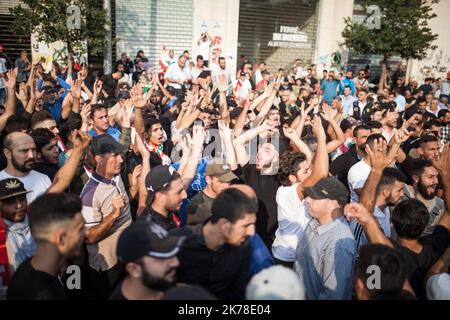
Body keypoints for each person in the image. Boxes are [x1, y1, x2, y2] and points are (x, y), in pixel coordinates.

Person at [344, 144, 450, 299]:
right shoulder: (436, 246)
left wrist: (376, 170)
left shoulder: (390, 255)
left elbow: (367, 220)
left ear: (394, 221)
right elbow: (449, 212)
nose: (401, 194)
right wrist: (446, 176)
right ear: (425, 225)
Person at [170, 188, 257, 300]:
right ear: (224, 224)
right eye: (246, 225)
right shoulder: (177, 243)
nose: (251, 232)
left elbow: (239, 293)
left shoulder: (243, 247)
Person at [80, 134, 132, 299]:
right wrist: (114, 214)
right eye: (114, 156)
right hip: (109, 267)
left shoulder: (115, 176)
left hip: (125, 257)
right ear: (99, 159)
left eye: (120, 155)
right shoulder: (89, 195)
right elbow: (89, 237)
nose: (121, 160)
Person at [7, 193, 86, 300]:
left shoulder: (30, 267)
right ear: (61, 239)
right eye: (80, 229)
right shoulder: (42, 294)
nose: (86, 233)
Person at [294, 177, 356, 300]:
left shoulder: (339, 243)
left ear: (333, 204)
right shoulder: (313, 223)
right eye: (308, 195)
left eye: (314, 197)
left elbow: (332, 295)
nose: (307, 200)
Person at [109, 221, 185, 300]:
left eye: (171, 254)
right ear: (134, 269)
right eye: (161, 258)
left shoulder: (170, 285)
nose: (176, 262)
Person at [0, 178, 35, 285]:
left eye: (22, 199)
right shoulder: (1, 233)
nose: (19, 206)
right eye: (10, 202)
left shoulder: (39, 222)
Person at [185, 159, 237, 225]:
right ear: (208, 179)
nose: (227, 186)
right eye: (221, 181)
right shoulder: (197, 208)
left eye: (228, 181)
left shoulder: (228, 197)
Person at [404, 159, 444, 236]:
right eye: (430, 177)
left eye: (437, 177)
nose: (436, 181)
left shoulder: (441, 206)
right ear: (416, 178)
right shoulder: (400, 192)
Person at [140, 165, 187, 230]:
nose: (185, 195)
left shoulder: (168, 209)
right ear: (161, 197)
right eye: (179, 192)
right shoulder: (154, 234)